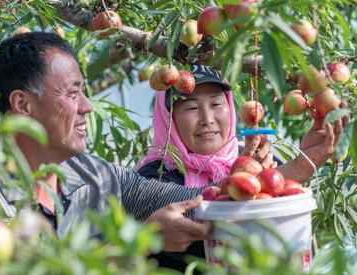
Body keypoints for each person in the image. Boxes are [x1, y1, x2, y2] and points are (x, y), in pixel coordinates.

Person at [0, 32, 212, 253]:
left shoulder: (97, 176)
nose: (87, 106)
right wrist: (142, 241)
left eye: (83, 91)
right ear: (22, 105)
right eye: (72, 94)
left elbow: (190, 203)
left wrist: (236, 186)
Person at [136, 64, 348, 272]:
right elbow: (193, 217)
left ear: (230, 107)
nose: (207, 120)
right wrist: (247, 178)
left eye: (216, 104)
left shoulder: (258, 160)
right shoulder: (156, 175)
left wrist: (299, 166)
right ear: (168, 118)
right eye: (192, 107)